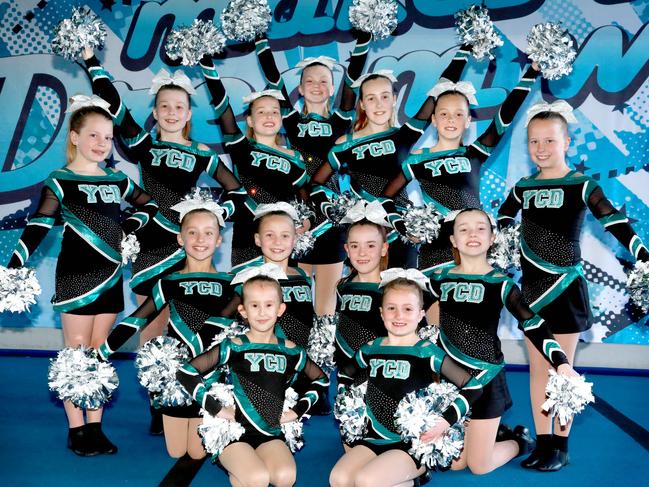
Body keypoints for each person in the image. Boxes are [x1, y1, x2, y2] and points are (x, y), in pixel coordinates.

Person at [82, 47, 245, 432]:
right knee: (151, 326)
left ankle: (189, 394)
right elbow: (116, 108)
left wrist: (217, 215)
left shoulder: (201, 153)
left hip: (188, 248)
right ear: (155, 112)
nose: (172, 113)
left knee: (185, 323)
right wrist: (92, 62)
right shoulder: (144, 145)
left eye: (179, 107)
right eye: (164, 106)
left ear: (189, 114)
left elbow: (238, 193)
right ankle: (160, 400)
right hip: (151, 246)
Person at [497, 102, 649, 471]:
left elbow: (613, 221)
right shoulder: (524, 187)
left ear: (566, 141)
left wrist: (643, 254)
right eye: (534, 141)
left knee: (560, 371)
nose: (542, 148)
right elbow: (502, 217)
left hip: (563, 289)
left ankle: (561, 445)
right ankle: (543, 440)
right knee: (537, 370)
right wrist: (505, 240)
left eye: (550, 140)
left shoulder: (581, 184)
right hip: (531, 292)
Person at [6, 97, 158, 456]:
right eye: (94, 135)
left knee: (100, 353)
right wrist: (15, 264)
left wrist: (128, 229)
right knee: (75, 355)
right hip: (75, 274)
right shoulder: (60, 180)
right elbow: (40, 223)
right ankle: (77, 431)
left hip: (109, 276)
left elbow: (149, 205)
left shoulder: (117, 178)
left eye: (108, 137)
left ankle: (95, 426)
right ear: (74, 137)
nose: (102, 143)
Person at [429, 207, 577, 474]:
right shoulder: (438, 279)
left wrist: (561, 361)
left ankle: (519, 442)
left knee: (478, 466)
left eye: (480, 229)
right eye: (463, 229)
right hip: (451, 380)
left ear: (492, 237)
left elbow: (533, 323)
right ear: (452, 239)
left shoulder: (502, 284)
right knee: (453, 463)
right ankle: (490, 433)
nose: (472, 234)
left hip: (485, 380)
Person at [96, 199, 239, 459]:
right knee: (176, 452)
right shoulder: (168, 282)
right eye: (192, 232)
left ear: (219, 240)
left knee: (197, 453)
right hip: (174, 378)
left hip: (209, 376)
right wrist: (101, 353)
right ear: (180, 238)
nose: (200, 239)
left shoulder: (233, 284)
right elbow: (137, 320)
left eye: (209, 233)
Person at [309, 44, 472, 268]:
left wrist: (464, 50)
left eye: (385, 96)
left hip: (401, 232)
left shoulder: (405, 135)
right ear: (363, 104)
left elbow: (438, 92)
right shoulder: (345, 144)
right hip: (365, 235)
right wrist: (331, 209)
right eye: (371, 98)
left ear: (395, 99)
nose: (379, 104)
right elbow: (316, 184)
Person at [253, 28, 371, 317]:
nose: (317, 86)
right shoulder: (291, 120)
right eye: (309, 81)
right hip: (299, 218)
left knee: (326, 308)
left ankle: (325, 358)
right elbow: (273, 80)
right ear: (301, 89)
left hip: (331, 218)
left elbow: (352, 81)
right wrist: (259, 39)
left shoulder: (341, 120)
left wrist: (365, 36)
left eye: (324, 81)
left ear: (332, 88)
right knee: (298, 306)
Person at [380, 63, 540, 275]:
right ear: (434, 120)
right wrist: (402, 226)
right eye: (444, 114)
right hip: (437, 250)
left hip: (474, 247)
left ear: (468, 120)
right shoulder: (417, 160)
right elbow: (385, 198)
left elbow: (504, 117)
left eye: (458, 114)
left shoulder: (475, 153)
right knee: (437, 306)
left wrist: (532, 72)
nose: (451, 120)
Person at [329, 269, 485, 487]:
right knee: (338, 479)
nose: (399, 316)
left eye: (407, 309)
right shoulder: (371, 349)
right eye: (391, 309)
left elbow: (474, 387)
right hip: (373, 439)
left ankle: (412, 474)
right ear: (382, 313)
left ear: (421, 314)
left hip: (411, 445)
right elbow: (345, 373)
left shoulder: (426, 351)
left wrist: (445, 421)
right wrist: (348, 403)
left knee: (366, 481)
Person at [177, 268, 329, 487]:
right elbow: (186, 373)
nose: (262, 312)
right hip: (234, 434)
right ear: (243, 311)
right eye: (254, 305)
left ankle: (243, 472)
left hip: (270, 432)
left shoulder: (292, 351)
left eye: (269, 305)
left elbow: (321, 380)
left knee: (286, 477)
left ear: (280, 309)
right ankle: (241, 468)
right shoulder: (233, 346)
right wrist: (216, 408)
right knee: (258, 479)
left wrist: (298, 411)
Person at [199, 56, 311, 268]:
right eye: (261, 112)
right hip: (247, 234)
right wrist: (208, 68)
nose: (269, 116)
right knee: (246, 295)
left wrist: (306, 219)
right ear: (250, 120)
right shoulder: (241, 147)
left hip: (281, 238)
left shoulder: (294, 156)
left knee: (279, 297)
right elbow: (224, 109)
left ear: (281, 118)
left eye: (274, 112)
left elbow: (303, 194)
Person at [334, 201, 391, 387]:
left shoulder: (392, 288)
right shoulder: (342, 287)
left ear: (384, 248)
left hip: (380, 375)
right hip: (346, 375)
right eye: (355, 246)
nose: (362, 253)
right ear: (347, 250)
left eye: (371, 246)